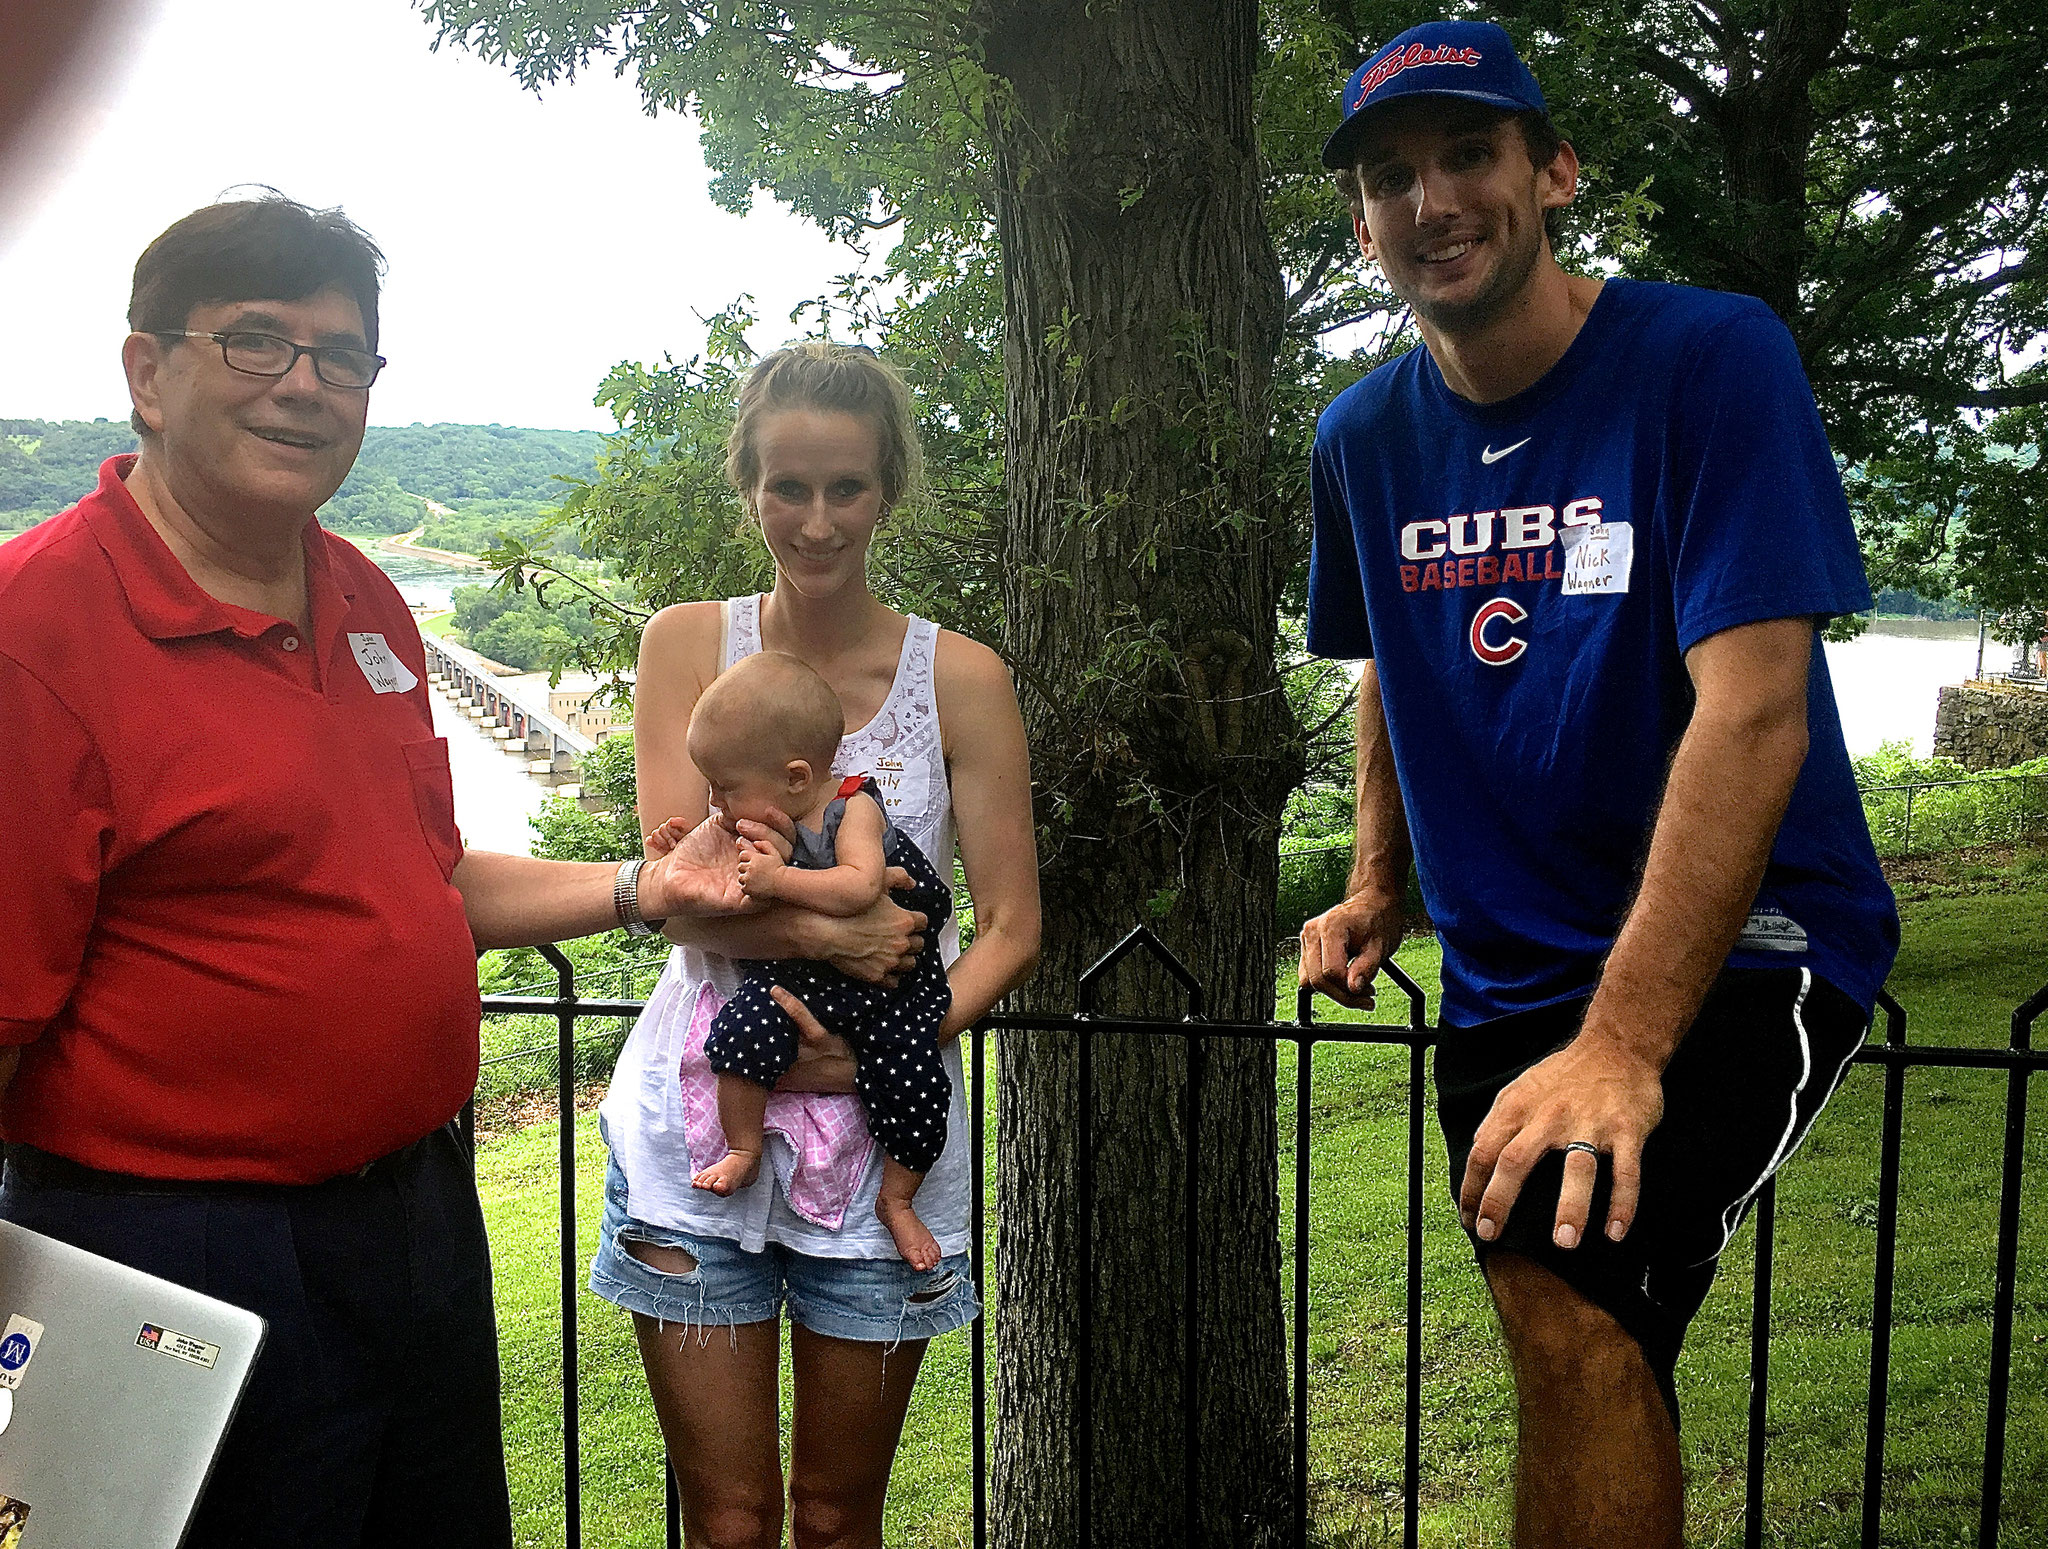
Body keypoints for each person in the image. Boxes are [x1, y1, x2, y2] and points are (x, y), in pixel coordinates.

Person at [0, 194, 753, 1549]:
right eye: (255, 341)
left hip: (411, 1218)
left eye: (340, 356)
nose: (303, 384)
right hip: (172, 1250)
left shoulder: (363, 594)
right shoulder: (36, 629)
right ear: (145, 373)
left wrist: (648, 889)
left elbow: (415, 881)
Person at [1297, 22, 1900, 1548]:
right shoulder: (1361, 438)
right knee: (1574, 1336)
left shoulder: (1709, 357)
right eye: (1390, 175)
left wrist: (1626, 1044)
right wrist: (1380, 884)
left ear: (1553, 172)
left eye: (1469, 155)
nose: (1432, 199)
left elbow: (1756, 711)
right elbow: (1388, 669)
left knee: (1566, 1312)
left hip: (1744, 947)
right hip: (1509, 980)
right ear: (1362, 221)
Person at [590, 340, 1040, 1549]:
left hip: (881, 1127)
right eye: (787, 486)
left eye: (845, 487)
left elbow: (1011, 927)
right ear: (748, 486)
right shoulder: (688, 647)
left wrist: (883, 1045)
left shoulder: (962, 677)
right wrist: (860, 934)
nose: (817, 519)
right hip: (696, 1139)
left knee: (838, 1518)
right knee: (726, 1519)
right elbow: (680, 891)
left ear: (885, 489)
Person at [683, 649, 957, 1272]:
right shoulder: (767, 816)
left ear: (797, 776)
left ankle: (898, 1198)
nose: (714, 800)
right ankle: (743, 1147)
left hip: (892, 981)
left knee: (914, 1081)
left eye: (725, 785)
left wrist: (779, 879)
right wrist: (689, 848)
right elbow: (714, 901)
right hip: (805, 973)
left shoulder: (852, 805)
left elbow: (861, 888)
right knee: (739, 1031)